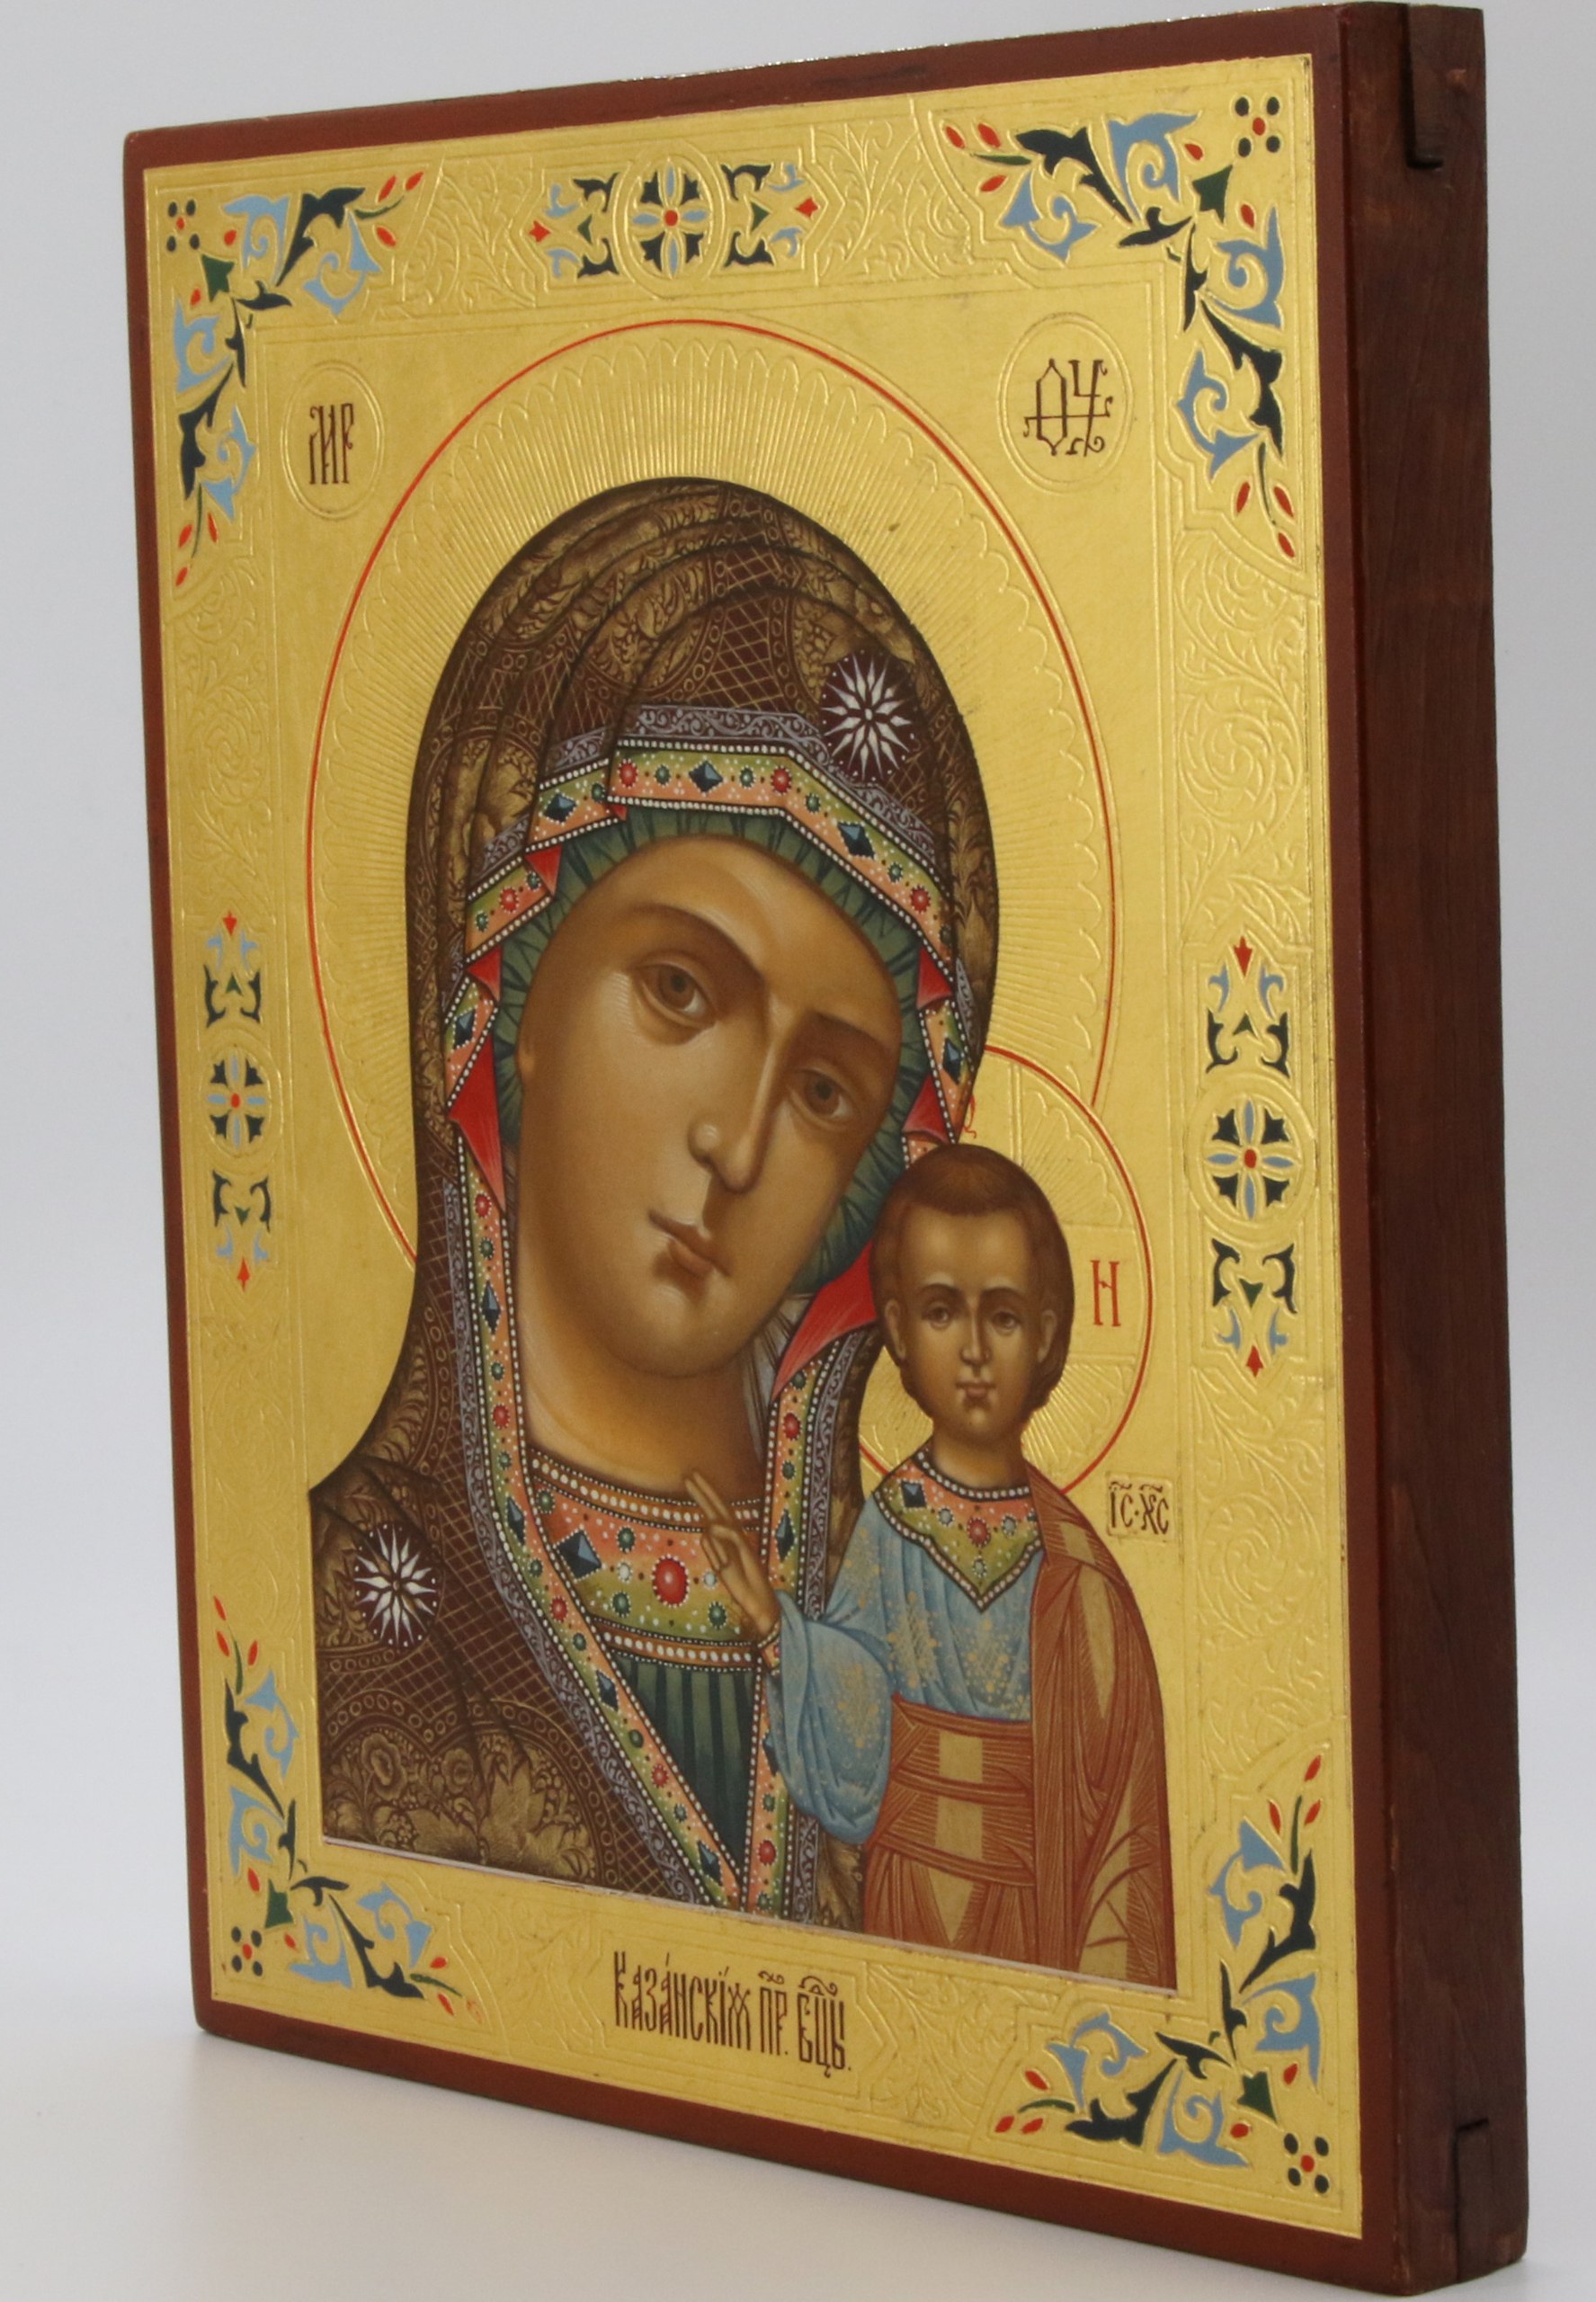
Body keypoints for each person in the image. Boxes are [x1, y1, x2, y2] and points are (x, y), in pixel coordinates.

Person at [310, 478, 1000, 1923]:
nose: (736, 1148)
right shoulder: (350, 1604)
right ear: (509, 994)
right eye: (681, 991)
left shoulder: (924, 1609)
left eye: (826, 1090)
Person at [695, 1145, 1175, 1984]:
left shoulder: (1079, 1574)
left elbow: (1122, 1822)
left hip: (1038, 1912)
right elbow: (855, 1740)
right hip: (911, 1900)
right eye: (944, 1311)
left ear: (1046, 1334)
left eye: (1005, 1316)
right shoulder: (889, 1533)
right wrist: (776, 1626)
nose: (975, 1351)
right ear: (901, 1332)